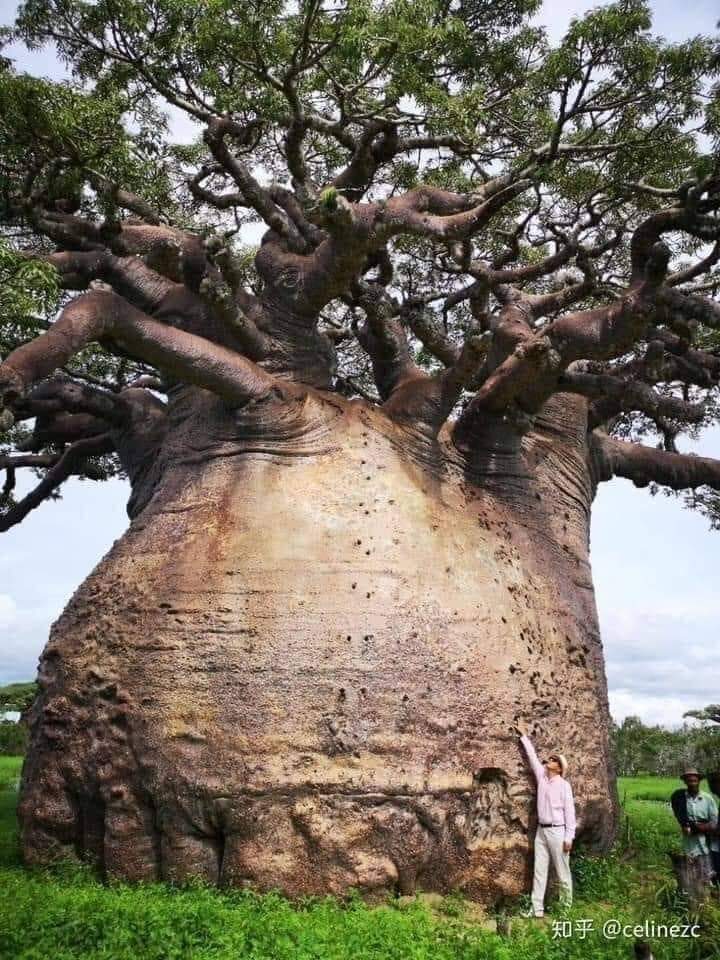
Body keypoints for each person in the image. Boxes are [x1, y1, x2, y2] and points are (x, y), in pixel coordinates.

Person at [516, 721, 576, 918]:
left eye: (553, 760)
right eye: (550, 759)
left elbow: (570, 814)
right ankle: (536, 909)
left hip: (558, 832)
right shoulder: (542, 777)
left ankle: (565, 910)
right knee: (539, 870)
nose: (548, 760)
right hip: (541, 831)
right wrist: (524, 736)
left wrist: (569, 838)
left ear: (559, 768)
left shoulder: (564, 786)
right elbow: (532, 757)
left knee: (562, 871)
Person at [671, 768, 719, 884]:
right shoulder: (680, 798)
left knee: (709, 867)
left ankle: (711, 892)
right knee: (691, 866)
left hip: (706, 840)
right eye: (689, 780)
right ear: (685, 782)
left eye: (694, 780)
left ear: (699, 781)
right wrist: (685, 826)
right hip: (689, 840)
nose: (692, 782)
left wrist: (700, 827)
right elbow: (679, 815)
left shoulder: (707, 798)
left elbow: (715, 821)